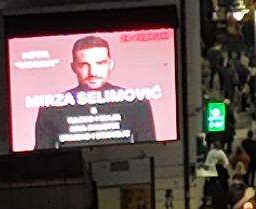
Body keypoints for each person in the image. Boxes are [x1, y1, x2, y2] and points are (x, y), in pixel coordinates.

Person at [32, 35, 160, 147]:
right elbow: (43, 159)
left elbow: (150, 150)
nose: (93, 72)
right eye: (84, 65)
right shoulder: (51, 108)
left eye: (100, 63)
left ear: (111, 64)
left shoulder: (137, 104)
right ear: (73, 67)